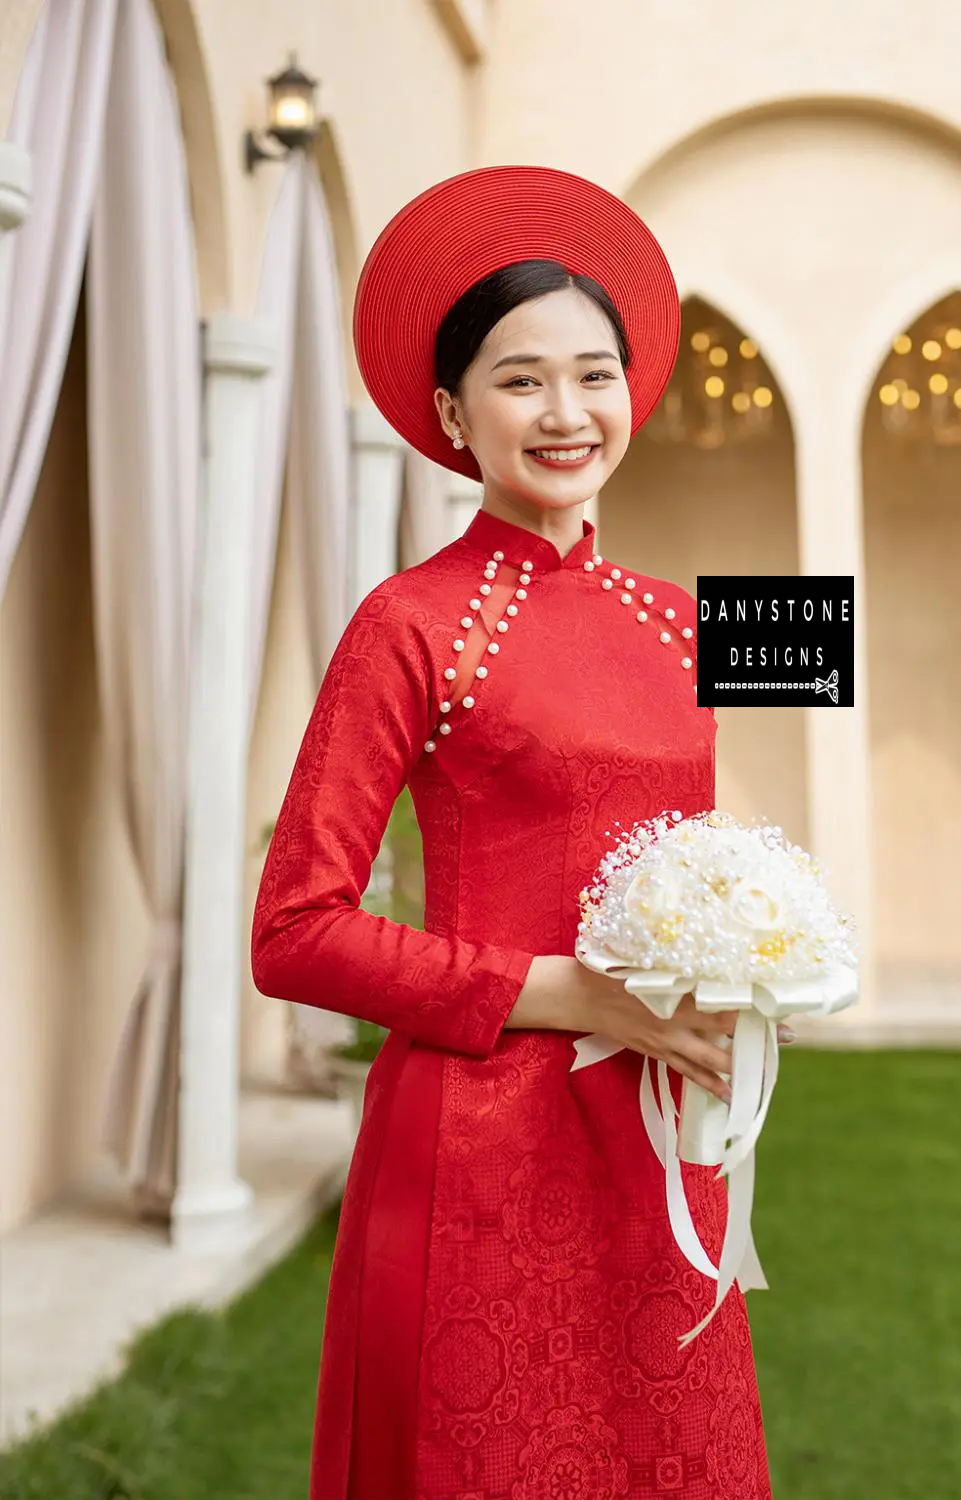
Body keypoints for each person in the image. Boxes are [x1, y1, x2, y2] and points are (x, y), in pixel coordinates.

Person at [251, 164, 778, 1499]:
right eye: (520, 378)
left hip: (661, 1128)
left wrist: (756, 964)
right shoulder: (410, 625)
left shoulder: (691, 621)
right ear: (450, 410)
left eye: (594, 375)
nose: (565, 413)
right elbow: (297, 932)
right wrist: (569, 991)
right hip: (475, 1147)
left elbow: (699, 861)